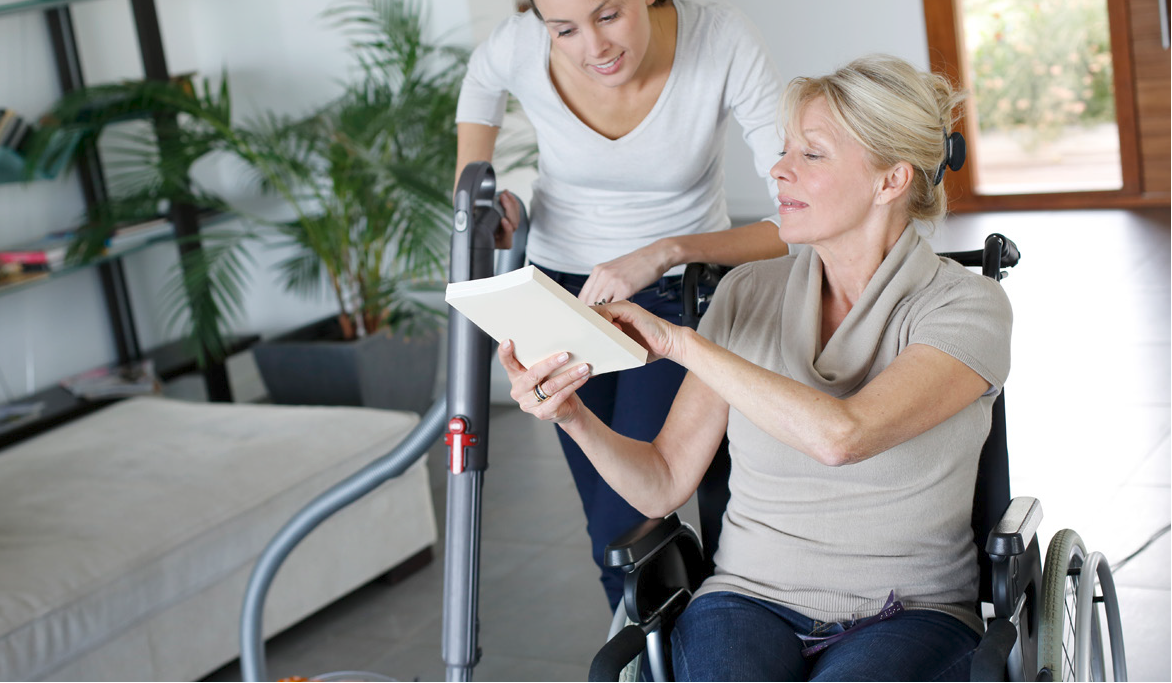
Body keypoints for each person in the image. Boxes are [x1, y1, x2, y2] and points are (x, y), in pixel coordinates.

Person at [498, 54, 1012, 681]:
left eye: (811, 155)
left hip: (909, 611)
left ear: (891, 179)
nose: (778, 169)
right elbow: (661, 482)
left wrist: (684, 344)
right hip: (745, 599)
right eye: (785, 149)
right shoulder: (746, 293)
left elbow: (843, 436)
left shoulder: (966, 305)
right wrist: (571, 413)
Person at [455, 0, 790, 610]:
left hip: (674, 295)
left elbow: (797, 218)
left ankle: (695, 645)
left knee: (637, 511)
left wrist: (665, 250)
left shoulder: (719, 39)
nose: (594, 47)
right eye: (565, 30)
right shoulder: (519, 45)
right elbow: (480, 83)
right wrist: (474, 193)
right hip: (555, 292)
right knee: (609, 536)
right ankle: (647, 661)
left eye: (609, 15)